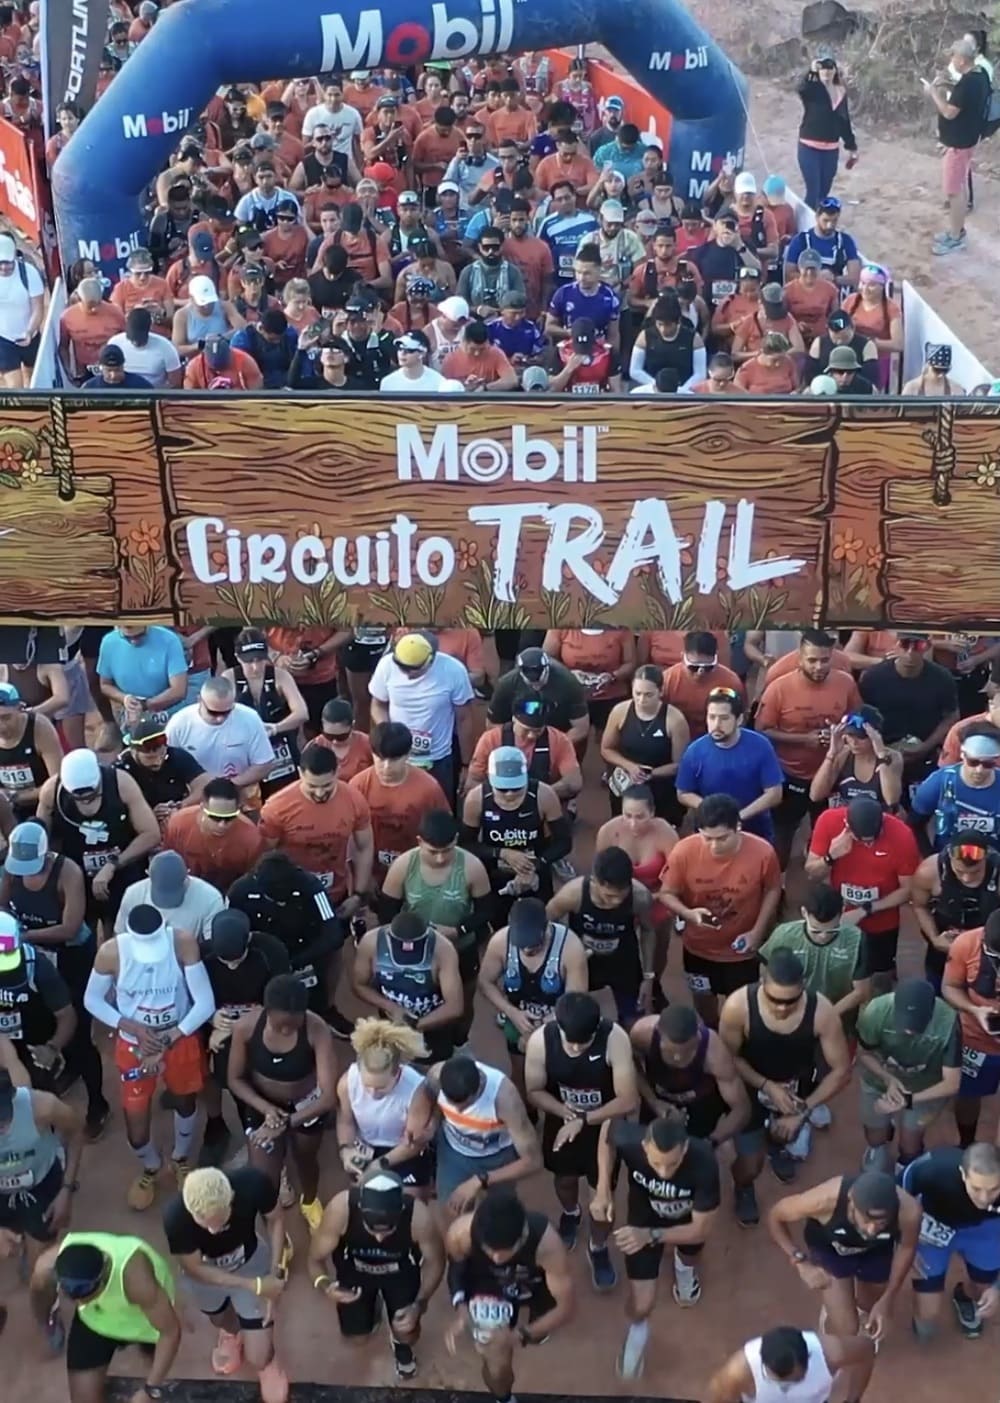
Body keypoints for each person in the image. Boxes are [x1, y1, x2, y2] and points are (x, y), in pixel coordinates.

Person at [84, 902, 214, 1209]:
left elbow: (205, 1002)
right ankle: (151, 1166)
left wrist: (167, 1039)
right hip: (134, 1046)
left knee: (185, 1100)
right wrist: (132, 1028)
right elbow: (92, 999)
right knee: (137, 1128)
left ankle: (180, 1158)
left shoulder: (182, 943)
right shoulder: (111, 953)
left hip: (179, 1037)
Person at [720, 949, 851, 1218]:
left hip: (796, 1089)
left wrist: (804, 1110)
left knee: (784, 1133)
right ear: (762, 983)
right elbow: (727, 1058)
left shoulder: (822, 1012)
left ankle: (776, 1145)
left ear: (803, 987)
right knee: (750, 1165)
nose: (782, 1008)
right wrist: (767, 1085)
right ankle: (743, 1186)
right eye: (774, 999)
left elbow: (841, 1070)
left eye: (791, 1001)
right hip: (750, 1087)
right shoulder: (738, 1007)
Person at [592, 1112, 720, 1378]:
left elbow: (700, 1229)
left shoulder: (705, 1161)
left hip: (685, 1222)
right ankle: (638, 1329)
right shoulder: (630, 1138)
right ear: (644, 1147)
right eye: (656, 1163)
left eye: (672, 1164)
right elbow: (607, 1131)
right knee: (642, 1303)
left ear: (685, 1148)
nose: (663, 1173)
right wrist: (603, 1188)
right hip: (643, 1218)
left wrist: (650, 1236)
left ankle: (684, 1270)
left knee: (690, 1252)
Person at [0, 821, 108, 1135]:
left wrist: (22, 937)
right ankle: (60, 1063)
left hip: (70, 954)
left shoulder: (68, 872)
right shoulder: (12, 869)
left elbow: (70, 928)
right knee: (37, 1021)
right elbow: (2, 905)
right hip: (28, 955)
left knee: (79, 1031)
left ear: (46, 854)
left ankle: (98, 1103)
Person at [523, 990, 637, 1284]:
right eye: (569, 1041)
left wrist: (585, 1119)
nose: (575, 1047)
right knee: (564, 1179)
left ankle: (597, 1247)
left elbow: (627, 1100)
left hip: (605, 1127)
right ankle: (571, 1212)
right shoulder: (541, 1041)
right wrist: (565, 1112)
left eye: (582, 1042)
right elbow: (534, 1090)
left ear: (596, 1029)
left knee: (602, 1196)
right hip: (562, 1121)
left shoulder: (615, 1039)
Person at [162, 1165, 288, 1397]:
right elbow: (194, 1267)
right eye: (205, 1222)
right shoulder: (175, 1216)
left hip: (250, 1262)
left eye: (219, 1219)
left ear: (231, 1197)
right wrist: (254, 1286)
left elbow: (276, 1220)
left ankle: (267, 1361)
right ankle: (232, 1332)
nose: (213, 1230)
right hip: (206, 1275)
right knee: (220, 1317)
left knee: (258, 1356)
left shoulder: (253, 1182)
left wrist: (274, 1273)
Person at [227, 973, 338, 1233]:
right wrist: (267, 1110)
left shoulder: (317, 1029)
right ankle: (277, 1233)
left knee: (306, 1159)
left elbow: (328, 1096)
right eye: (280, 1025)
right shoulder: (245, 1027)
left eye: (293, 1025)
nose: (287, 1030)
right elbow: (234, 1079)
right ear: (266, 1011)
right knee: (264, 1178)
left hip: (306, 1105)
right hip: (263, 1105)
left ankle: (309, 1201)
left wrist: (287, 1122)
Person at [308, 1170, 444, 1378]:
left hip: (400, 1274)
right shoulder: (340, 1210)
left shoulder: (419, 1218)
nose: (379, 1238)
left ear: (400, 1211)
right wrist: (326, 1286)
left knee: (408, 1332)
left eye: (387, 1230)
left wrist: (419, 1304)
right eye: (372, 1229)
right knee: (357, 1338)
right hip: (355, 1272)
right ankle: (373, 1311)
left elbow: (436, 1263)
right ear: (360, 1209)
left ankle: (399, 1342)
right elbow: (314, 1260)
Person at [661, 794, 783, 1025]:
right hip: (698, 948)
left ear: (738, 827)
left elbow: (772, 889)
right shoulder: (683, 852)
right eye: (707, 838)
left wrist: (757, 932)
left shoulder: (763, 853)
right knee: (703, 1001)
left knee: (742, 1008)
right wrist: (688, 914)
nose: (714, 846)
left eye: (722, 838)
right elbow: (667, 893)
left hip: (742, 950)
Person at [444, 1190, 574, 1403]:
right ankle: (504, 1398)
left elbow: (565, 1307)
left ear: (523, 1236)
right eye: (489, 1249)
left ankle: (533, 1323)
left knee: (539, 1330)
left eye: (505, 1251)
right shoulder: (460, 1234)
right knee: (497, 1365)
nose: (496, 1258)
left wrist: (519, 1336)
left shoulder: (548, 1246)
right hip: (488, 1282)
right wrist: (461, 1308)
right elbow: (456, 1270)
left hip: (533, 1282)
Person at [378, 811, 493, 1045]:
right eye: (433, 852)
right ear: (420, 842)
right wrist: (410, 937)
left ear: (456, 840)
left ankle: (460, 1043)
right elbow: (386, 913)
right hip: (413, 953)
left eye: (447, 850)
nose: (440, 858)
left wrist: (458, 931)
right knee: (406, 1003)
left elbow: (486, 911)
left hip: (460, 947)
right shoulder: (403, 866)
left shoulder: (472, 867)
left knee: (463, 1003)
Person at [767, 1169, 920, 1342]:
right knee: (847, 1328)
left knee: (870, 1305)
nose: (871, 1230)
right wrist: (800, 1261)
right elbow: (775, 1216)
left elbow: (907, 1247)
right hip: (831, 1250)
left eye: (881, 1223)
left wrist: (888, 1298)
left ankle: (862, 1313)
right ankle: (833, 1313)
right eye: (866, 1220)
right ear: (851, 1203)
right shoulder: (823, 1201)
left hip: (876, 1250)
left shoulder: (908, 1212)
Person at [756, 630, 862, 867]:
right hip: (790, 773)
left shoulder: (845, 683)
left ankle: (820, 876)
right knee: (783, 833)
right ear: (800, 658)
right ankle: (779, 877)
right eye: (812, 660)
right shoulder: (779, 688)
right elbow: (762, 731)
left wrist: (840, 735)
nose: (818, 667)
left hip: (831, 773)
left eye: (825, 660)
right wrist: (805, 739)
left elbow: (856, 717)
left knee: (828, 830)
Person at [37, 1233, 181, 1402]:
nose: (80, 1303)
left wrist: (151, 1390)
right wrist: (47, 1320)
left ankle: (149, 1362)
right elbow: (39, 1295)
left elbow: (170, 1332)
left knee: (157, 1370)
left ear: (105, 1273)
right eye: (74, 1299)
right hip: (96, 1321)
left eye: (89, 1296)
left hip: (145, 1323)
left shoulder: (136, 1278)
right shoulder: (46, 1267)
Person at [0, 1066, 83, 1347]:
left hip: (40, 1188)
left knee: (42, 1273)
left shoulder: (42, 1106)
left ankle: (46, 1314)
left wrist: (66, 1191)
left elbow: (76, 1132)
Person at [37, 747, 160, 934]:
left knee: (120, 932)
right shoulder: (51, 792)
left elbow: (151, 833)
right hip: (76, 875)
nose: (85, 801)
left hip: (122, 869)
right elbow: (41, 839)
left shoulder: (122, 784)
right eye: (78, 797)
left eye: (91, 795)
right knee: (80, 935)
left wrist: (113, 865)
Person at [478, 897, 588, 1100]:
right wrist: (511, 1012)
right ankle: (527, 1111)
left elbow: (576, 1002)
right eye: (521, 945)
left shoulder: (570, 948)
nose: (527, 950)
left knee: (557, 1077)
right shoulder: (500, 942)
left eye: (534, 945)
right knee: (520, 1074)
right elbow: (485, 982)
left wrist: (542, 1027)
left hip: (558, 1021)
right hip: (518, 1019)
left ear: (546, 929)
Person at [805, 796, 920, 980]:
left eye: (873, 839)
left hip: (882, 919)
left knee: (882, 974)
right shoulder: (828, 821)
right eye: (861, 840)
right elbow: (812, 873)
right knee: (839, 972)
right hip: (839, 919)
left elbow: (909, 890)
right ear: (847, 827)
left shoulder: (902, 835)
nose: (868, 844)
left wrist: (866, 909)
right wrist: (830, 857)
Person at [856, 978, 961, 1172]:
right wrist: (888, 1078)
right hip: (879, 1080)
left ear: (932, 1011)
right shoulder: (876, 1011)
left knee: (911, 1143)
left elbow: (952, 1083)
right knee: (875, 1134)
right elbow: (864, 1054)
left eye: (917, 1025)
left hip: (926, 1087)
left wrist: (908, 1099)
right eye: (904, 1022)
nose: (908, 1030)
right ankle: (877, 1148)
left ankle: (906, 1164)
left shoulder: (948, 1022)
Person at [415, 1054, 541, 1213]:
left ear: (480, 1085)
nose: (459, 1110)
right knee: (450, 1210)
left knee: (498, 1214)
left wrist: (481, 1180)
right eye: (452, 1103)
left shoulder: (505, 1099)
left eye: (466, 1105)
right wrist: (432, 1123)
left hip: (497, 1158)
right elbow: (428, 1097)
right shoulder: (435, 1076)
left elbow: (533, 1161)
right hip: (453, 1153)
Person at [259, 739, 374, 915]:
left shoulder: (354, 800)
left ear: (337, 772)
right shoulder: (277, 807)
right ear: (300, 773)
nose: (320, 793)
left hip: (336, 895)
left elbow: (364, 846)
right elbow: (263, 857)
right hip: (292, 896)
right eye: (312, 786)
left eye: (327, 785)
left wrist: (358, 895)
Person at [546, 846, 656, 1029]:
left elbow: (648, 930)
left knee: (635, 1023)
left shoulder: (640, 896)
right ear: (594, 881)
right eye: (609, 896)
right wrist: (563, 956)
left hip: (623, 961)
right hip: (584, 962)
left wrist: (648, 977)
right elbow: (547, 923)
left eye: (621, 895)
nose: (616, 902)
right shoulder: (572, 894)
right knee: (571, 1020)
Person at [902, 1141, 1000, 1340]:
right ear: (963, 1174)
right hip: (933, 1228)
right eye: (976, 1188)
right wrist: (906, 1244)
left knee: (983, 1292)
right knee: (927, 1317)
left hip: (984, 1231)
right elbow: (897, 1196)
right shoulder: (934, 1168)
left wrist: (998, 1288)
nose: (984, 1198)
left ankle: (964, 1296)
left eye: (994, 1189)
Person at [461, 746, 569, 924]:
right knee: (497, 923)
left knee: (540, 923)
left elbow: (564, 842)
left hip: (536, 870)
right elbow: (466, 845)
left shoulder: (543, 795)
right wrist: (502, 853)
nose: (510, 794)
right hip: (496, 873)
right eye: (502, 789)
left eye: (517, 788)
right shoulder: (476, 799)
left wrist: (536, 865)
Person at [369, 631, 476, 802]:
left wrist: (466, 764)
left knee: (438, 807)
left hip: (438, 759)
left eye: (415, 669)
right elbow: (378, 704)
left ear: (431, 660)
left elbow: (464, 718)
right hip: (398, 757)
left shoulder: (453, 670)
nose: (407, 674)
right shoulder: (386, 665)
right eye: (402, 668)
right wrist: (389, 732)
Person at [335, 1018, 436, 1193]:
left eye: (381, 1087)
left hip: (402, 1152)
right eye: (367, 1086)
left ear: (397, 1073)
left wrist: (380, 1164)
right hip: (365, 1147)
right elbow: (345, 1121)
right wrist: (346, 1149)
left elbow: (414, 1143)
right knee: (361, 1197)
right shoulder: (347, 1083)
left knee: (410, 1200)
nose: (373, 1093)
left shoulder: (416, 1091)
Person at [761, 884, 871, 1044]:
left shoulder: (856, 941)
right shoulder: (783, 935)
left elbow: (861, 992)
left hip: (838, 1016)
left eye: (832, 930)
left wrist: (825, 1017)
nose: (823, 936)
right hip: (792, 1015)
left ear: (842, 912)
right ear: (804, 913)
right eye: (816, 930)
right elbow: (766, 972)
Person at [630, 1002, 750, 1148]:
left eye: (687, 1050)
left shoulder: (715, 1053)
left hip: (701, 1108)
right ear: (659, 1033)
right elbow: (632, 1066)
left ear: (697, 1037)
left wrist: (711, 1142)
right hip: (657, 1100)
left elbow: (741, 1109)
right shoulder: (641, 1034)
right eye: (670, 1051)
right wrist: (653, 1101)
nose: (678, 1057)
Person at [352, 911, 464, 1062]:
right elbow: (359, 985)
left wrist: (415, 1025)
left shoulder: (443, 949)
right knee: (390, 1065)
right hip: (391, 1022)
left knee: (436, 1064)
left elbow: (455, 1006)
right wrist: (391, 1007)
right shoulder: (371, 942)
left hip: (434, 1023)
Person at [676, 687, 784, 843]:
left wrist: (737, 817)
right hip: (711, 832)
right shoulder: (695, 751)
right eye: (712, 717)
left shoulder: (761, 746)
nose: (716, 724)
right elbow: (683, 793)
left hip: (754, 830)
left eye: (724, 718)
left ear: (739, 720)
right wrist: (714, 811)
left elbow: (774, 793)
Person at [349, 721, 449, 884]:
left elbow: (442, 836)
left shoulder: (429, 789)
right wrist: (363, 879)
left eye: (394, 759)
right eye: (381, 758)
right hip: (371, 873)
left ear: (408, 755)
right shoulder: (357, 786)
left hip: (416, 873)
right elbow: (350, 839)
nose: (386, 767)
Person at [859, 635, 959, 795]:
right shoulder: (873, 677)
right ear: (896, 645)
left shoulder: (942, 677)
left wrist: (925, 747)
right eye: (905, 645)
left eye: (918, 646)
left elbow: (951, 716)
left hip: (924, 755)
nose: (910, 653)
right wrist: (879, 748)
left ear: (928, 646)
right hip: (881, 754)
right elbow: (862, 717)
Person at [223, 628, 307, 803]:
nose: (255, 667)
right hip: (245, 750)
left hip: (279, 748)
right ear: (238, 658)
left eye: (260, 660)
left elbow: (302, 713)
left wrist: (275, 728)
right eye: (249, 661)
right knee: (246, 803)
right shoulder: (229, 678)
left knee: (285, 800)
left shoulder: (280, 676)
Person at [924, 37, 991, 254]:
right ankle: (956, 231)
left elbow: (949, 112)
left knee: (954, 191)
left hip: (958, 145)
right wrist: (948, 86)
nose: (952, 61)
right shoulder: (980, 75)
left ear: (961, 59)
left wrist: (933, 93)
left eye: (953, 57)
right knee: (957, 187)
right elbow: (966, 100)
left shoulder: (967, 83)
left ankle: (956, 236)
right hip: (969, 139)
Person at [0, 915, 77, 1103]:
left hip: (33, 1044)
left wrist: (52, 1047)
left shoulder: (37, 966)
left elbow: (66, 1015)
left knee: (40, 1097)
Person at [599, 665, 689, 822]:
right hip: (626, 782)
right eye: (637, 693)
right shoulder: (620, 711)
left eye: (648, 695)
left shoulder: (675, 720)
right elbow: (606, 749)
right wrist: (630, 767)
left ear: (660, 692)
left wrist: (650, 774)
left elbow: (680, 764)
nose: (641, 700)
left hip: (660, 786)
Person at [942, 909, 1000, 1145]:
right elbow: (950, 987)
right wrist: (974, 1010)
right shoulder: (966, 944)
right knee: (967, 1095)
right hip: (974, 1038)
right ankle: (966, 1143)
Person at [911, 836, 1000, 989]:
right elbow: (920, 906)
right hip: (944, 945)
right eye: (960, 871)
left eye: (975, 872)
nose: (966, 878)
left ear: (985, 859)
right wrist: (934, 938)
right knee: (936, 986)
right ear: (951, 858)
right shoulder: (930, 871)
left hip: (985, 949)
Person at [707, 1324, 875, 1403]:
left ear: (808, 1357)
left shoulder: (832, 1353)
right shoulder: (739, 1372)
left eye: (797, 1379)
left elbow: (866, 1351)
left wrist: (853, 1400)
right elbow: (719, 1398)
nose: (787, 1386)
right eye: (780, 1382)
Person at [165, 676, 276, 792]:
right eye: (213, 713)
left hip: (242, 792)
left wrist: (228, 786)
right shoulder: (179, 724)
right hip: (196, 795)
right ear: (199, 700)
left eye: (227, 712)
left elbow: (265, 763)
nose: (220, 718)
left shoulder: (250, 718)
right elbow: (167, 765)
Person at [468, 694, 584, 804]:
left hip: (542, 802)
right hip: (499, 801)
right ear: (514, 719)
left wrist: (537, 796)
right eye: (526, 730)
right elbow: (473, 781)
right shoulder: (491, 739)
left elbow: (574, 783)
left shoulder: (559, 740)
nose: (531, 736)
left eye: (538, 731)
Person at [163, 777, 265, 894]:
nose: (222, 825)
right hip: (186, 889)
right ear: (202, 808)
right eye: (215, 817)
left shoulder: (252, 838)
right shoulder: (178, 824)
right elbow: (168, 863)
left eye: (229, 818)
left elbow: (251, 881)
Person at [909, 722, 1000, 852]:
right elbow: (915, 822)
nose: (979, 770)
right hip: (949, 856)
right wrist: (929, 854)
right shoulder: (941, 781)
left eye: (987, 764)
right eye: (973, 762)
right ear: (962, 755)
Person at [115, 717, 209, 831]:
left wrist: (180, 806)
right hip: (140, 825)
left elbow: (205, 784)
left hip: (178, 816)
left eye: (162, 755)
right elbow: (117, 811)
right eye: (150, 758)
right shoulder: (120, 770)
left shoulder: (176, 755)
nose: (158, 761)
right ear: (134, 752)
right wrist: (147, 815)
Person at [116, 849, 224, 942]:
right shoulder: (133, 893)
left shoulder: (211, 898)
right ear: (148, 874)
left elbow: (210, 946)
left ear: (187, 875)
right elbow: (120, 936)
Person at [809, 706, 903, 811]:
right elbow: (815, 795)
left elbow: (891, 800)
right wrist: (832, 754)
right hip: (846, 815)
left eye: (861, 737)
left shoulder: (891, 757)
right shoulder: (842, 754)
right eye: (850, 735)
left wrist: (881, 755)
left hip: (877, 816)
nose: (854, 742)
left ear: (875, 737)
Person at [97, 623, 188, 728]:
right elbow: (105, 685)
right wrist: (124, 698)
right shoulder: (109, 642)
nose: (134, 641)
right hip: (129, 708)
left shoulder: (169, 640)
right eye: (127, 638)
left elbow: (178, 690)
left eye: (139, 636)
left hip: (166, 706)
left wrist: (146, 705)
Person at [796, 54, 858, 209]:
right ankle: (807, 223)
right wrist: (810, 71)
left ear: (835, 70)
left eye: (830, 67)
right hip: (809, 147)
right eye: (822, 68)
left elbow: (844, 121)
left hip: (830, 150)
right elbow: (800, 88)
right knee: (813, 192)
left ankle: (818, 222)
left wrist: (852, 147)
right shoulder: (812, 88)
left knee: (823, 193)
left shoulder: (840, 92)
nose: (826, 71)